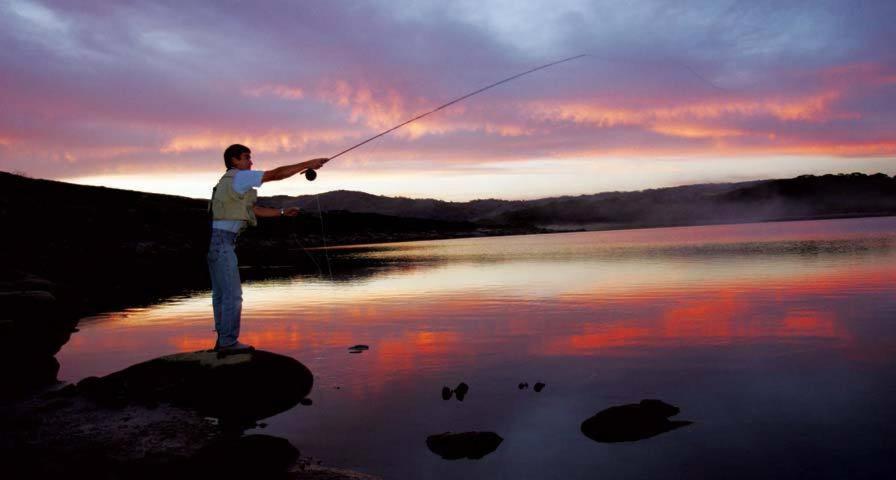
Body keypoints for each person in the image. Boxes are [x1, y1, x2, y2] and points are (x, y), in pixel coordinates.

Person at [208, 144, 328, 351]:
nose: (250, 162)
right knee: (232, 296)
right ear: (234, 161)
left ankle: (223, 340)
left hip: (217, 244)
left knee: (221, 295)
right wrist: (310, 163)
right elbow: (276, 174)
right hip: (222, 244)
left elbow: (253, 209)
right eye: (246, 158)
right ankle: (228, 342)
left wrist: (281, 213)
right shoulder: (239, 176)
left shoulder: (229, 182)